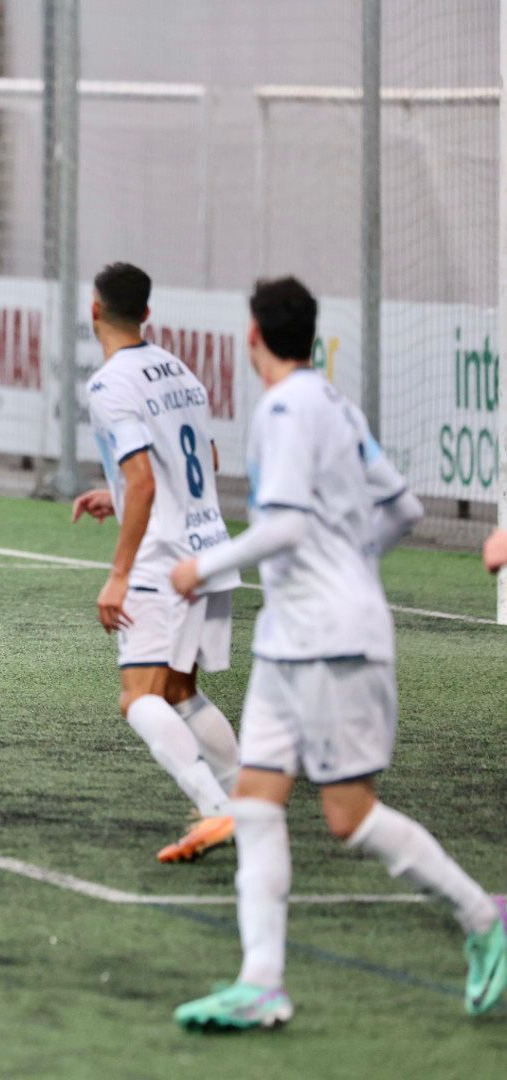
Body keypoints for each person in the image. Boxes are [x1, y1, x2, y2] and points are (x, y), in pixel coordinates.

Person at [169, 276, 506, 1031]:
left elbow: (286, 528)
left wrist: (204, 568)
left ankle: (484, 922)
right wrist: (354, 570)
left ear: (253, 336)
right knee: (255, 802)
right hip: (296, 639)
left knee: (348, 816)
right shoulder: (338, 405)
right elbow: (405, 509)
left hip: (328, 641)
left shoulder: (286, 408)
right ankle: (261, 983)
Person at [71, 263, 240, 863]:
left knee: (137, 697)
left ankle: (217, 809)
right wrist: (113, 494)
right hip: (208, 545)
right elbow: (207, 456)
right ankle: (248, 805)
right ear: (147, 313)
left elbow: (142, 481)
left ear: (95, 311)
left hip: (161, 560)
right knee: (178, 690)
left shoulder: (110, 384)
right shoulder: (180, 370)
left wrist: (119, 573)